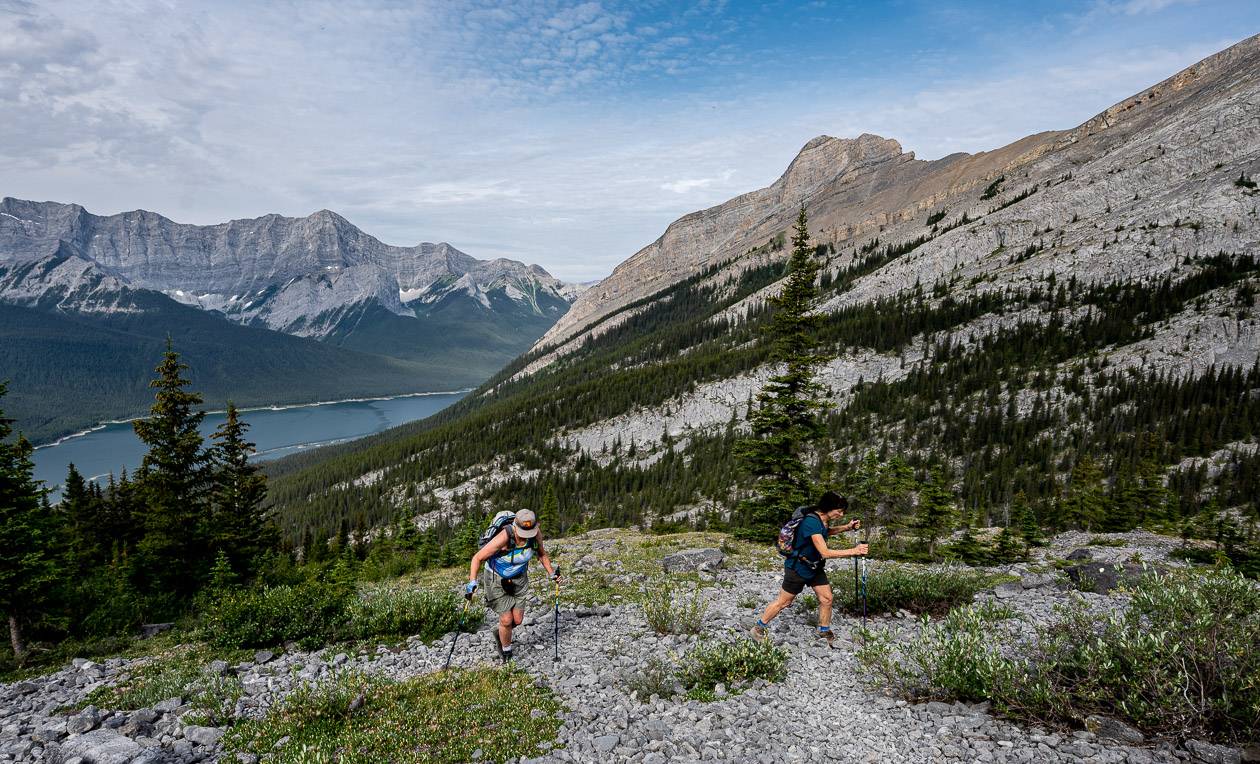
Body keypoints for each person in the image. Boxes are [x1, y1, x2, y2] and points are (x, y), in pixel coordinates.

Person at [750, 491, 867, 645]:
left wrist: (847, 527)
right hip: (798, 567)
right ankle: (758, 627)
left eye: (843, 511)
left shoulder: (822, 520)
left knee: (827, 598)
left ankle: (824, 630)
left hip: (814, 567)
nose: (841, 514)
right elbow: (824, 552)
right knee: (784, 602)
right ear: (828, 508)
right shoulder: (811, 521)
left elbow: (825, 532)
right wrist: (855, 551)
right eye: (839, 511)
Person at [466, 509, 560, 663]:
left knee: (517, 620)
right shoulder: (504, 537)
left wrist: (552, 574)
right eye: (523, 532)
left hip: (519, 579)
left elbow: (541, 554)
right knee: (506, 619)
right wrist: (472, 582)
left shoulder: (535, 534)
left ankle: (501, 632)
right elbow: (477, 558)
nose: (526, 536)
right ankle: (506, 652)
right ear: (515, 528)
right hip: (496, 579)